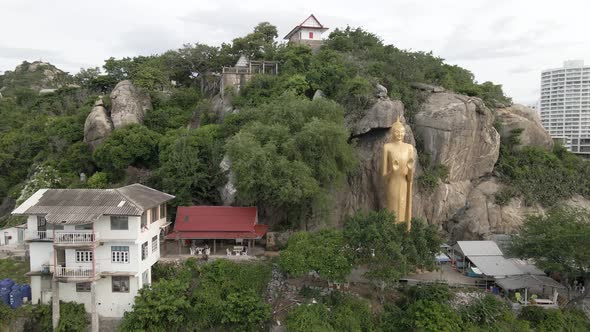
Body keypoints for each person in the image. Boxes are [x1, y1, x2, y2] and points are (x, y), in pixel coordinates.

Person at [382, 117, 415, 230]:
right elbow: (384, 177)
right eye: (397, 131)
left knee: (403, 208)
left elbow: (410, 178)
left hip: (405, 184)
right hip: (393, 184)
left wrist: (410, 169)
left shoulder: (409, 148)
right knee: (393, 210)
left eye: (402, 132)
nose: (399, 134)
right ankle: (391, 233)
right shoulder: (387, 147)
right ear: (392, 132)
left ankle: (403, 234)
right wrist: (393, 170)